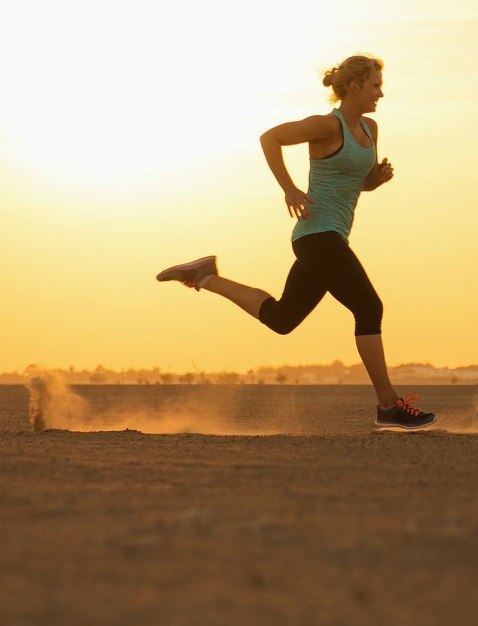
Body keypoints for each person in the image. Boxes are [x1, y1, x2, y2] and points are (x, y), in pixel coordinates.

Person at [156, 54, 436, 430]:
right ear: (354, 87)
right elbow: (269, 138)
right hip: (316, 236)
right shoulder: (324, 126)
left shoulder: (370, 128)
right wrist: (289, 189)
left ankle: (204, 276)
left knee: (283, 319)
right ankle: (388, 406)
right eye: (375, 86)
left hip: (327, 237)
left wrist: (377, 180)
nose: (380, 93)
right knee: (369, 308)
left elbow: (358, 182)